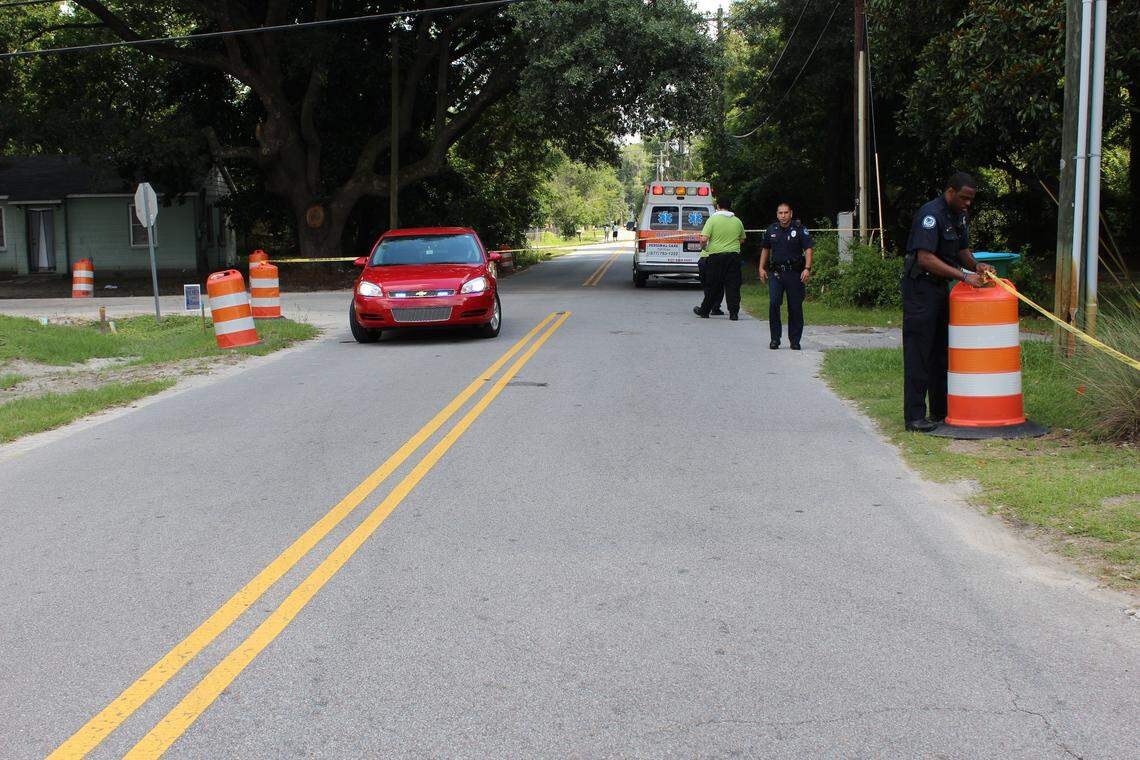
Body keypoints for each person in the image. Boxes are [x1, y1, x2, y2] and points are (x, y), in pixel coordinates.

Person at [902, 171, 995, 432]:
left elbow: (962, 250)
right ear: (950, 191)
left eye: (971, 200)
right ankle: (914, 417)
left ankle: (940, 412)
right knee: (919, 352)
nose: (968, 204)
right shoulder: (930, 215)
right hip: (920, 288)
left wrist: (977, 266)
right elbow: (925, 258)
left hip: (942, 289)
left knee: (941, 352)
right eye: (964, 198)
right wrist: (964, 276)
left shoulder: (958, 216)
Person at [759, 203, 814, 349]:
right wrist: (761, 268)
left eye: (786, 213)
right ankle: (775, 339)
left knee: (795, 307)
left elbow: (808, 249)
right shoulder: (772, 229)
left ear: (791, 213)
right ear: (777, 214)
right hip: (776, 274)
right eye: (780, 213)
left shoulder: (800, 229)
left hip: (795, 274)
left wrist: (807, 268)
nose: (783, 216)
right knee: (774, 304)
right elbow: (765, 249)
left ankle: (795, 340)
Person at [694, 194, 746, 320]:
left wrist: (704, 247)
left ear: (718, 206)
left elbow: (704, 238)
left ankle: (705, 310)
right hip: (733, 257)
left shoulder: (712, 220)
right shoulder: (737, 221)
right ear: (730, 207)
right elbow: (742, 239)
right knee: (733, 285)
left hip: (716, 257)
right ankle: (734, 313)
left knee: (713, 285)